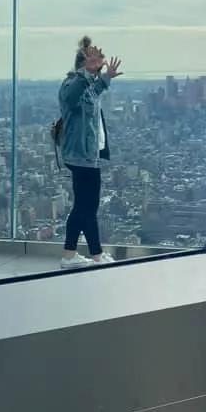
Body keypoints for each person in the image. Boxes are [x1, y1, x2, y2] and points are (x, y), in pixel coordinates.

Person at [58, 36, 122, 267]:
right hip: (81, 156)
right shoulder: (70, 85)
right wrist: (87, 73)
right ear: (82, 66)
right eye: (92, 66)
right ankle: (96, 254)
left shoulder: (86, 85)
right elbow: (73, 96)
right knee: (88, 206)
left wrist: (105, 78)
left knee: (82, 206)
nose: (95, 72)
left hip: (87, 155)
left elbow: (93, 91)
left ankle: (69, 255)